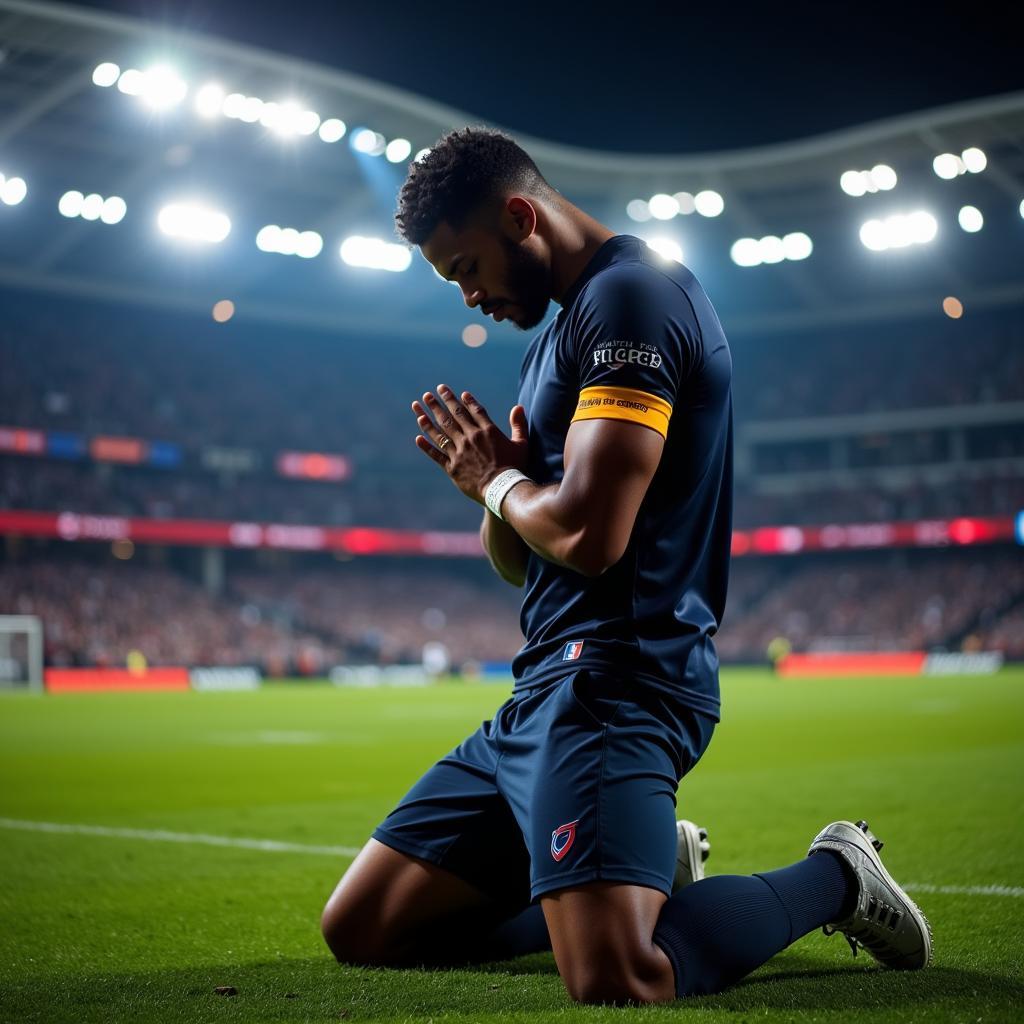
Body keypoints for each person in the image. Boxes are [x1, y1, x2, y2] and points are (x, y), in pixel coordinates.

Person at [320, 127, 931, 1003]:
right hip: (541, 693)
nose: (470, 297)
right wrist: (494, 489)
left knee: (618, 976)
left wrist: (498, 483)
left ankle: (837, 874)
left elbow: (591, 536)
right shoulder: (554, 341)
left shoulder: (634, 302)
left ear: (521, 216)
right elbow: (519, 558)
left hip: (620, 681)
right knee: (364, 928)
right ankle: (644, 872)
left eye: (466, 268)